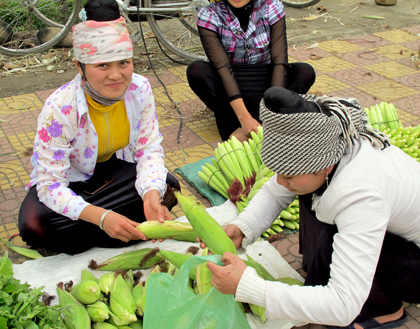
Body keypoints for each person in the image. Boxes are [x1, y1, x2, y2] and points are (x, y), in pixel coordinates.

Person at [205, 87, 420, 328]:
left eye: (289, 174)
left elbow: (342, 304)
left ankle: (385, 309)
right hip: (389, 235)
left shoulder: (362, 196)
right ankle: (322, 274)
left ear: (326, 167)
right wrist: (243, 227)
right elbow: (275, 192)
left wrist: (250, 287)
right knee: (307, 193)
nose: (280, 180)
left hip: (414, 265)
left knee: (334, 232)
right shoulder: (331, 148)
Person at [18, 0, 180, 255]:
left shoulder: (140, 89)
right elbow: (49, 186)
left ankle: (97, 235)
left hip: (111, 173)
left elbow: (148, 150)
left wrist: (150, 193)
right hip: (70, 181)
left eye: (124, 62)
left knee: (165, 189)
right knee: (34, 225)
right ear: (79, 67)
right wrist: (102, 217)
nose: (116, 75)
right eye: (102, 65)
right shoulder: (60, 108)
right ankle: (116, 229)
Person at [186, 0, 316, 142]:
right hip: (230, 86)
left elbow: (279, 62)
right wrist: (245, 119)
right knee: (197, 70)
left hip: (267, 82)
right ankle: (235, 123)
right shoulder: (209, 15)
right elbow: (222, 67)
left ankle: (274, 121)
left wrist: (269, 117)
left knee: (305, 71)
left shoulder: (271, 7)